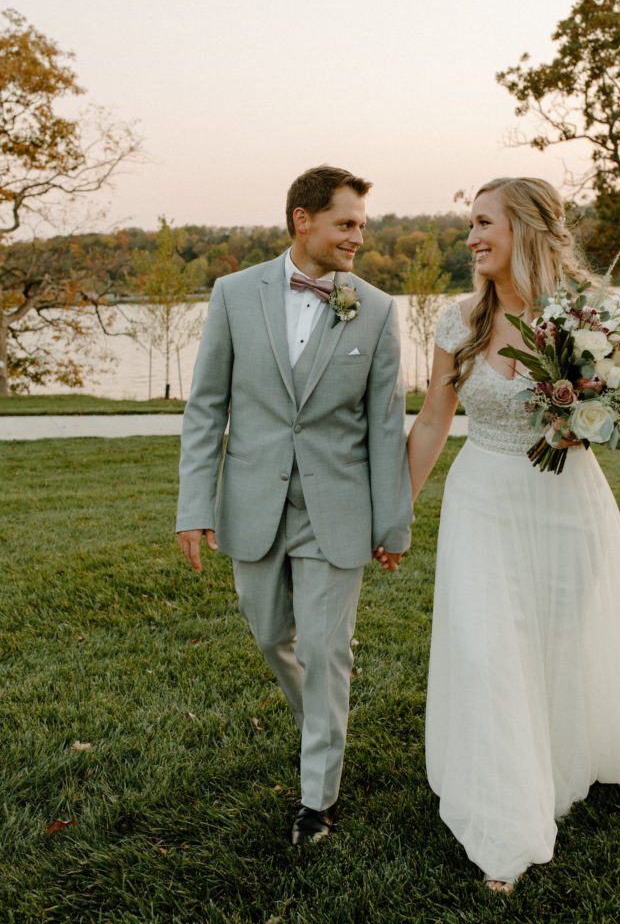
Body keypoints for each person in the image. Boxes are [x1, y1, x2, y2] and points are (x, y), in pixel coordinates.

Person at [407, 177, 620, 891]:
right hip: (483, 500)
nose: (469, 239)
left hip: (567, 500)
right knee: (487, 648)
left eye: (481, 223)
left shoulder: (587, 319)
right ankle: (504, 820)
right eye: (468, 225)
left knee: (556, 640)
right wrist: (399, 507)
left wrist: (609, 404)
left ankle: (554, 765)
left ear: (525, 228)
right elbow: (434, 422)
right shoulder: (456, 320)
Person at [176, 164, 412, 844]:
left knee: (327, 648)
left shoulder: (374, 307)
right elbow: (206, 409)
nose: (357, 239)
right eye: (346, 224)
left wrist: (390, 521)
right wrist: (195, 504)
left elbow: (382, 424)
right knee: (269, 635)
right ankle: (322, 724)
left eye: (362, 227)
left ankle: (318, 799)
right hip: (252, 502)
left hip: (335, 510)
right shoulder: (232, 293)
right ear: (301, 220)